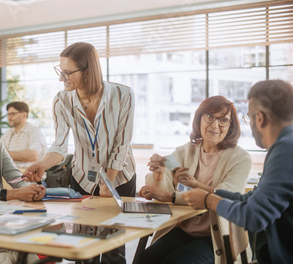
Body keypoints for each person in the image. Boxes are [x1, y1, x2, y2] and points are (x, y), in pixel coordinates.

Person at [23, 42, 136, 264]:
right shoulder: (62, 100)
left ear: (87, 71)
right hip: (83, 178)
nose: (61, 78)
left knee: (114, 247)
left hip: (120, 178)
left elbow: (122, 144)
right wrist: (43, 164)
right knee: (83, 246)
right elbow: (60, 146)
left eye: (67, 73)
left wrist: (108, 182)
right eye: (60, 71)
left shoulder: (123, 95)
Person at [182, 80, 293, 264]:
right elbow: (251, 200)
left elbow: (253, 216)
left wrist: (207, 200)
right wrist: (211, 193)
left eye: (248, 117)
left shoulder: (285, 149)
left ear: (260, 118)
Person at [137, 95, 252, 264]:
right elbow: (162, 186)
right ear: (199, 120)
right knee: (146, 259)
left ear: (231, 126)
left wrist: (194, 185)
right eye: (210, 117)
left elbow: (226, 195)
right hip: (183, 230)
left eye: (223, 120)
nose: (215, 125)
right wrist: (159, 174)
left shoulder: (241, 158)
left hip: (215, 236)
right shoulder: (185, 151)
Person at [0, 101, 47, 168]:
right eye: (8, 114)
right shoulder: (7, 134)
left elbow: (33, 156)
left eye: (13, 114)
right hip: (11, 174)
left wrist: (6, 154)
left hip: (30, 174)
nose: (9, 117)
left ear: (24, 115)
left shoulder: (34, 131)